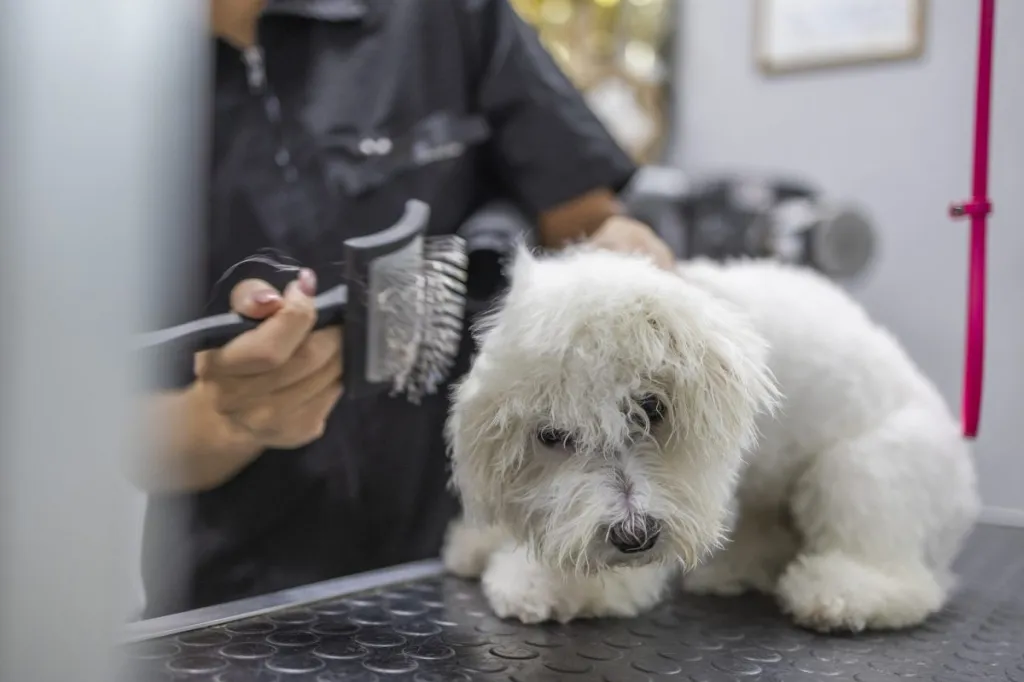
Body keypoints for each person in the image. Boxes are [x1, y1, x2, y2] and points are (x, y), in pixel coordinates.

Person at [132, 0, 676, 617]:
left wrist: (624, 268)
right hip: (238, 607)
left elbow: (589, 222)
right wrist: (230, 417)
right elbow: (113, 435)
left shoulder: (445, 17)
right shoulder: (86, 87)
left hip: (471, 564)